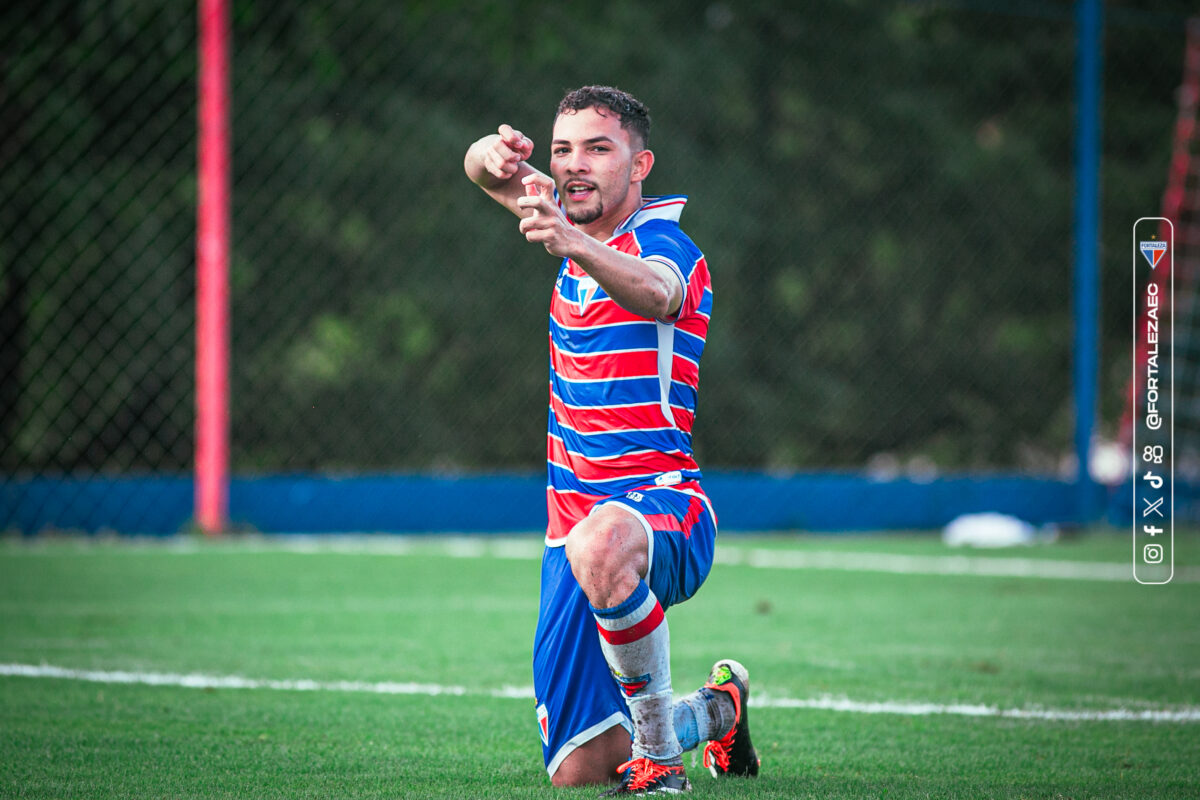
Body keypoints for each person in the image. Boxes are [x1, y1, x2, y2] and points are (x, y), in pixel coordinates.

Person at [464, 86, 759, 795]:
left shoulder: (665, 245)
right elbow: (479, 170)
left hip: (666, 512)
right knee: (580, 771)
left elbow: (657, 294)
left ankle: (661, 764)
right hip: (569, 537)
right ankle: (718, 712)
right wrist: (491, 152)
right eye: (563, 149)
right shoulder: (568, 218)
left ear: (640, 165)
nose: (575, 165)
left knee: (603, 543)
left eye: (599, 148)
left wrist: (570, 241)